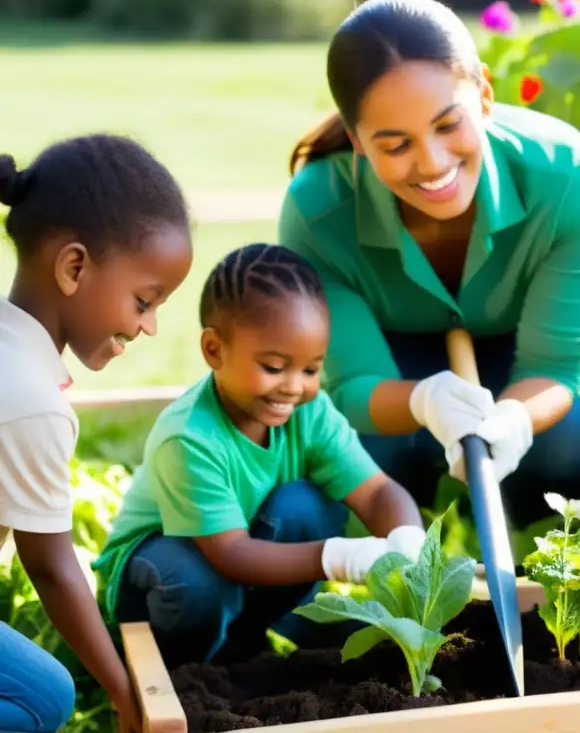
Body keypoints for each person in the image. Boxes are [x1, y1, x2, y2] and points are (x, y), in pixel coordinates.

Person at [278, 0, 580, 526]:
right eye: (395, 145)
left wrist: (513, 420)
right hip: (396, 348)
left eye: (448, 124)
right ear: (358, 142)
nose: (432, 164)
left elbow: (555, 367)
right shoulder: (316, 212)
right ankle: (410, 524)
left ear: (483, 93)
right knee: (374, 446)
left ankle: (532, 518)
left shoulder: (569, 176)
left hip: (522, 332)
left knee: (563, 440)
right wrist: (422, 403)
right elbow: (354, 384)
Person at [92, 243, 426, 670]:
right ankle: (187, 672)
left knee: (305, 506)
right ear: (214, 350)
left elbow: (377, 493)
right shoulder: (190, 436)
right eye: (273, 366)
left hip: (239, 564)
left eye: (310, 369)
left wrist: (408, 542)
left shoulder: (310, 412)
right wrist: (343, 556)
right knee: (193, 580)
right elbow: (229, 553)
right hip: (160, 582)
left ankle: (250, 640)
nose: (294, 386)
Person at [0, 136, 194, 732]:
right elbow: (53, 567)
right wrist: (127, 694)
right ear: (74, 267)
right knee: (45, 699)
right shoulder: (28, 399)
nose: (152, 326)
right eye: (144, 300)